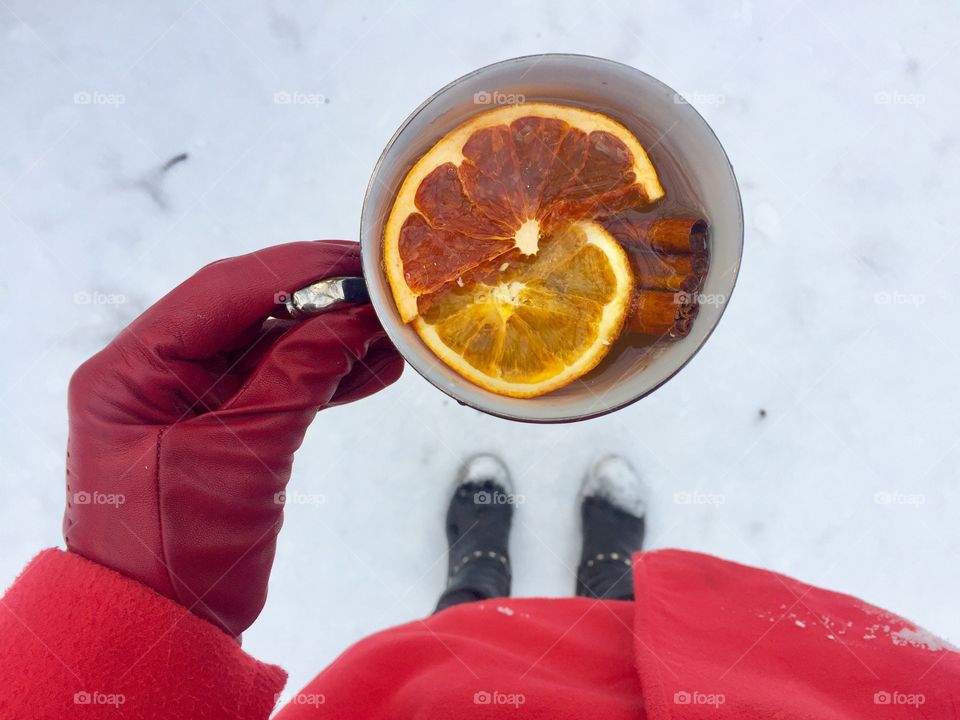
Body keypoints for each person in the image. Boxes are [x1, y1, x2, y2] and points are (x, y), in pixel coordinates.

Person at [0, 241, 957, 720]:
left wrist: (124, 626)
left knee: (458, 634)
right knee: (601, 622)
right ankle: (601, 580)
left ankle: (479, 570)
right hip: (775, 680)